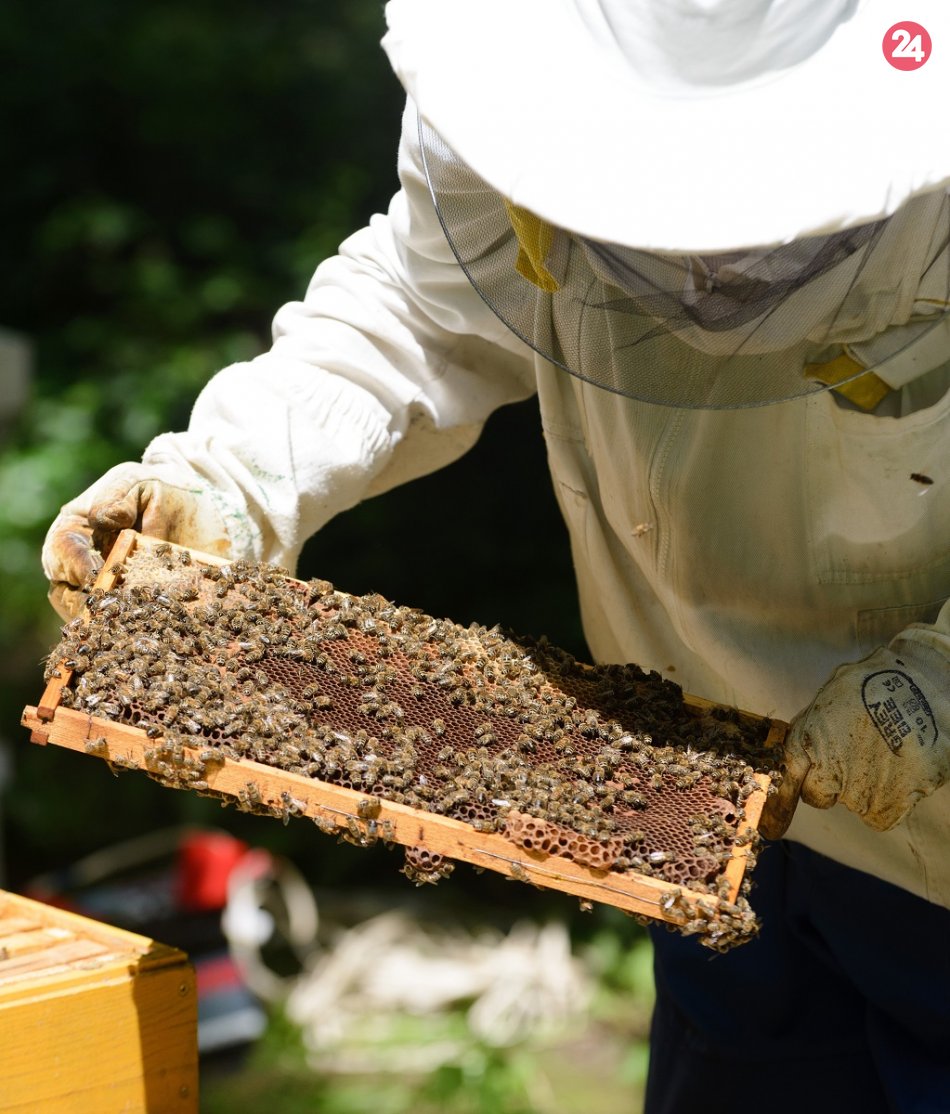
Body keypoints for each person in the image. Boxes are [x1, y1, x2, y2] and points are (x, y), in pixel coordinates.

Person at [42, 2, 950, 1110]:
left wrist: (939, 683)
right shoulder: (534, 58)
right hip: (692, 795)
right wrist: (234, 472)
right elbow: (424, 303)